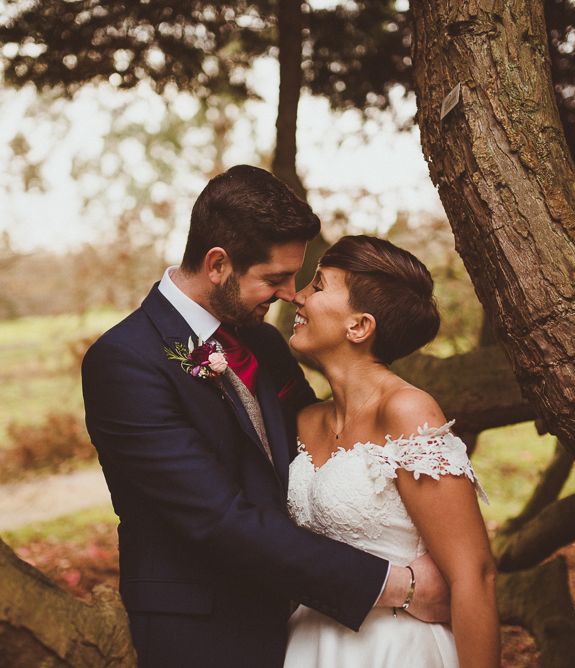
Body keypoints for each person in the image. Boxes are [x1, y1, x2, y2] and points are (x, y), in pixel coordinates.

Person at [81, 166, 449, 668]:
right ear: (217, 265)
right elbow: (217, 519)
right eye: (274, 278)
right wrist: (395, 585)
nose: (291, 293)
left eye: (297, 277)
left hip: (304, 619)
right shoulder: (125, 360)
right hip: (203, 632)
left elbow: (323, 447)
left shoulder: (263, 342)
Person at [285, 235, 501, 668]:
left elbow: (475, 576)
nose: (298, 296)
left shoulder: (407, 411)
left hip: (393, 651)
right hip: (308, 645)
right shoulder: (306, 420)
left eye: (318, 286)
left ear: (360, 326)